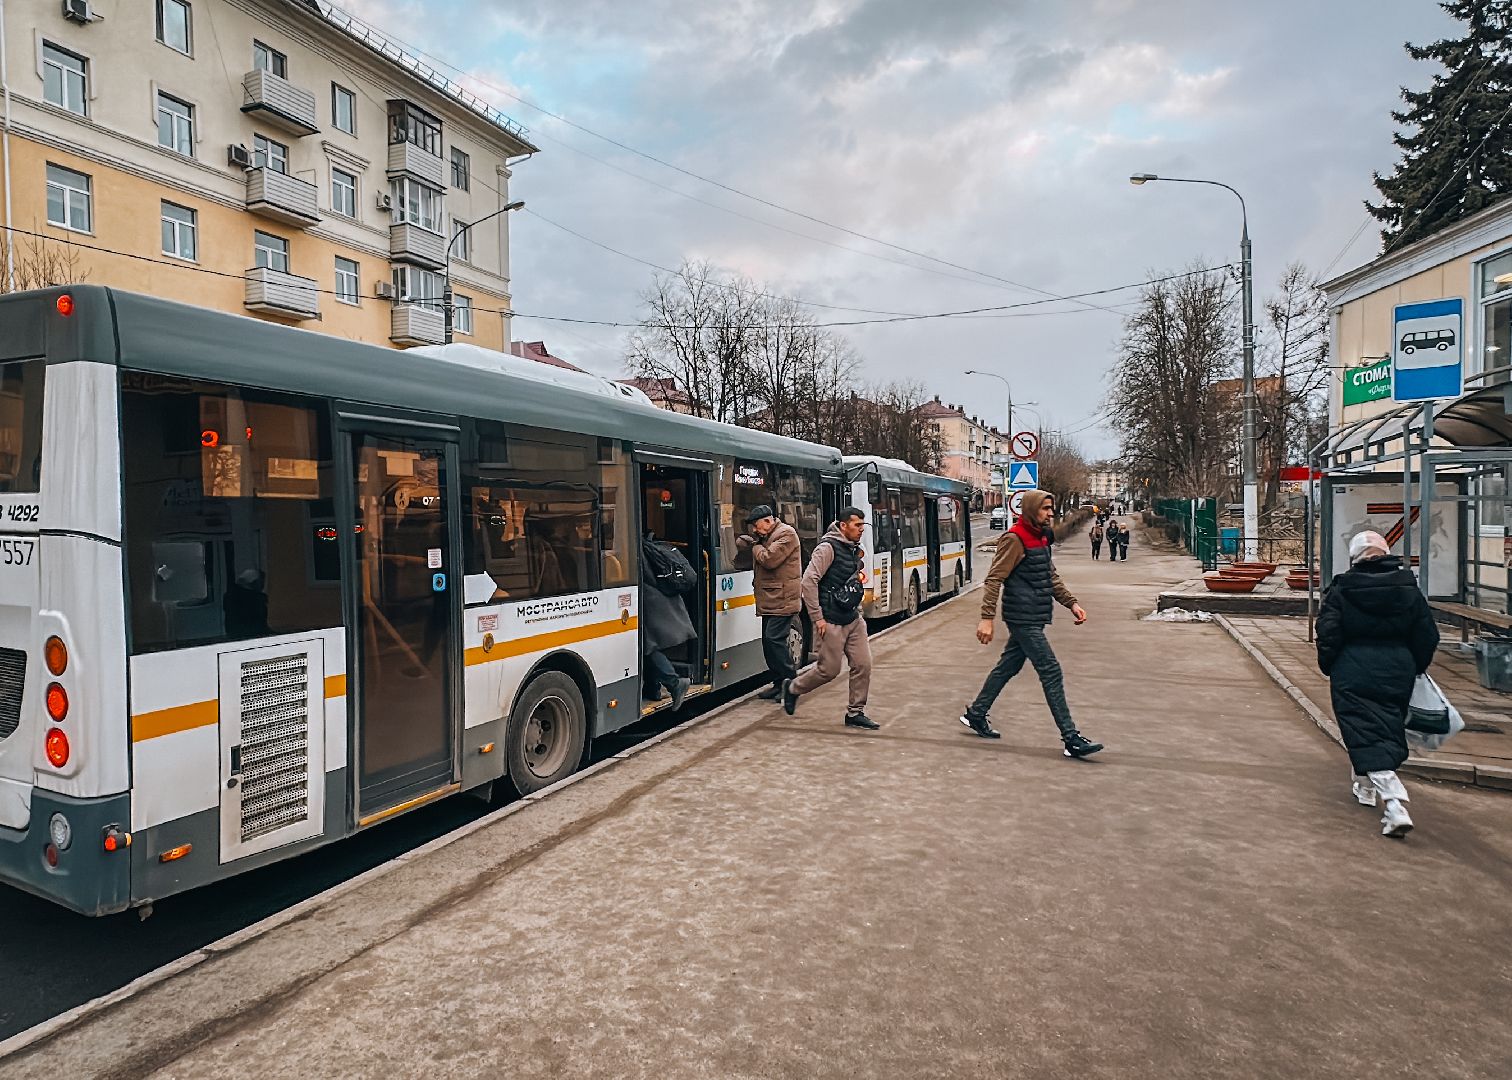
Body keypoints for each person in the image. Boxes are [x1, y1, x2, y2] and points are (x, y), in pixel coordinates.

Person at [958, 489, 1103, 757]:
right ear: (1031, 510)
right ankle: (1071, 738)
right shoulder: (1014, 539)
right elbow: (993, 579)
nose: (1051, 513)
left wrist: (1071, 603)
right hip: (1022, 618)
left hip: (1034, 615)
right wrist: (986, 619)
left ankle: (976, 713)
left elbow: (1050, 576)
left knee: (1008, 667)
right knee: (1051, 670)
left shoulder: (1040, 538)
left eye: (1051, 508)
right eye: (1045, 508)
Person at [1316, 530, 1439, 838]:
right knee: (1382, 727)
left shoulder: (1343, 588)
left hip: (1352, 668)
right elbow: (1427, 634)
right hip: (1398, 669)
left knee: (1364, 729)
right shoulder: (1408, 588)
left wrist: (1328, 664)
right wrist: (1415, 665)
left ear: (1354, 558)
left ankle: (1395, 803)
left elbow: (1329, 631)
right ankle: (1364, 787)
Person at [782, 507, 877, 730]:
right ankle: (793, 688)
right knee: (829, 670)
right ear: (843, 526)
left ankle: (855, 712)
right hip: (831, 620)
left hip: (853, 619)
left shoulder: (853, 547)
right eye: (857, 525)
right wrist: (818, 619)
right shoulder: (827, 548)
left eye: (863, 526)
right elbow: (808, 582)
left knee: (863, 664)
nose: (861, 530)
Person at [736, 504, 802, 700]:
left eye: (757, 526)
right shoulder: (766, 537)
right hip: (771, 600)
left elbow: (769, 559)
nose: (755, 530)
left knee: (774, 641)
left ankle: (792, 684)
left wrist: (755, 546)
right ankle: (778, 683)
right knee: (768, 643)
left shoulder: (787, 534)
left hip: (783, 599)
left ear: (768, 520)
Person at [640, 532, 694, 710]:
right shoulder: (648, 545)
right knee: (647, 645)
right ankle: (652, 689)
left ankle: (675, 683)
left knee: (648, 646)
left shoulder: (635, 548)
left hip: (650, 602)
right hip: (657, 601)